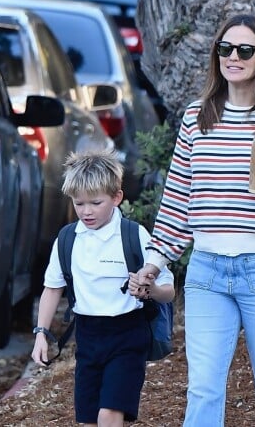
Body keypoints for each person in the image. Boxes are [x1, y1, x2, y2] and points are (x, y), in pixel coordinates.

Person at [136, 13, 255, 426]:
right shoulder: (196, 117)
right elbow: (179, 199)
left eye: (244, 50)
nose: (232, 57)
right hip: (207, 269)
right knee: (202, 390)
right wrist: (154, 263)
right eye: (225, 48)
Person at [31, 149, 175, 427]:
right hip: (87, 337)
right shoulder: (67, 239)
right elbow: (52, 288)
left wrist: (150, 289)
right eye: (79, 203)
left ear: (117, 197)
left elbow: (167, 289)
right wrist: (41, 334)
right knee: (88, 420)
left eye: (95, 203)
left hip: (128, 335)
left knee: (109, 414)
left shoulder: (133, 235)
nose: (86, 211)